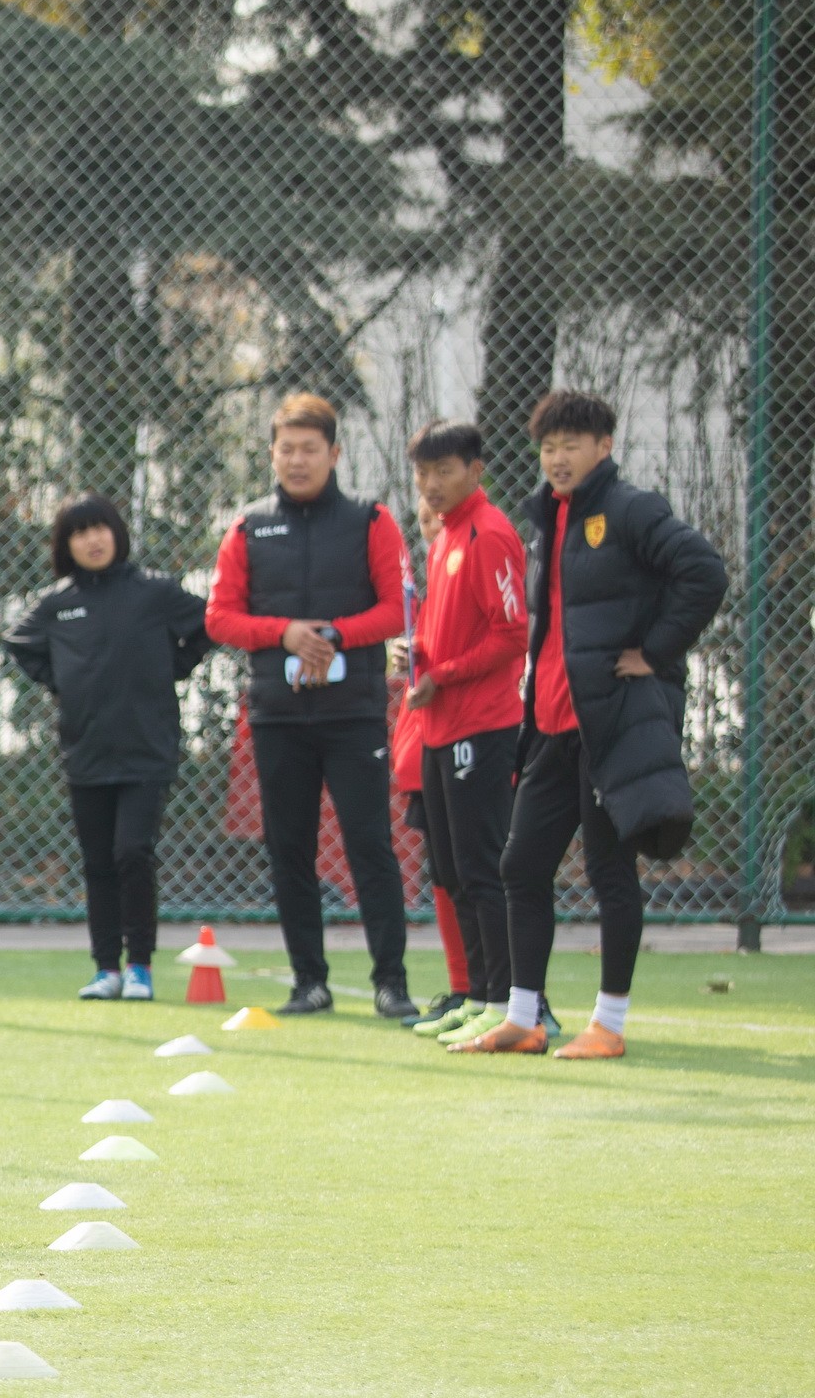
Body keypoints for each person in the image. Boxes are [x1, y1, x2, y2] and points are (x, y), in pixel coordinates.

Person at [457, 389, 728, 1061]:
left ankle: (608, 1024)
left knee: (611, 873)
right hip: (550, 723)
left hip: (609, 726)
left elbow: (704, 572)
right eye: (548, 447)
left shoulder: (632, 509)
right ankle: (524, 1018)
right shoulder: (548, 519)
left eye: (571, 445)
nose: (557, 458)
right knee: (521, 865)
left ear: (603, 447)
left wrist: (655, 652)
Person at [204, 392, 418, 1020]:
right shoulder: (248, 526)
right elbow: (220, 616)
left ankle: (391, 983)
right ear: (272, 453)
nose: (297, 461)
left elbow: (396, 608)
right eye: (286, 449)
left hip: (354, 714)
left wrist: (334, 635)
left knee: (369, 844)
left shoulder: (371, 521)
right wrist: (284, 633)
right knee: (289, 848)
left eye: (309, 449)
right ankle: (309, 982)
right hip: (278, 716)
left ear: (334, 454)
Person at [4, 494, 210, 1001]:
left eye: (100, 529)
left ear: (118, 534)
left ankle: (139, 965)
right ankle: (106, 968)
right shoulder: (56, 603)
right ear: (65, 545)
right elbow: (18, 644)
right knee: (97, 861)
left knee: (132, 852)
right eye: (79, 532)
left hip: (147, 747)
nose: (92, 540)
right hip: (86, 751)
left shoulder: (154, 592)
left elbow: (209, 626)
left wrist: (172, 668)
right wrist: (63, 683)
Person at [387, 422, 531, 1046]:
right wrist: (416, 654)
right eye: (422, 473)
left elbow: (511, 634)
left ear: (476, 470)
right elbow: (457, 630)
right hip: (441, 725)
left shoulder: (490, 534)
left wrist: (440, 674)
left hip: (482, 725)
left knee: (479, 867)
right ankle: (475, 993)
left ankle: (501, 998)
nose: (431, 484)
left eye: (444, 471)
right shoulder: (445, 535)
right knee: (449, 868)